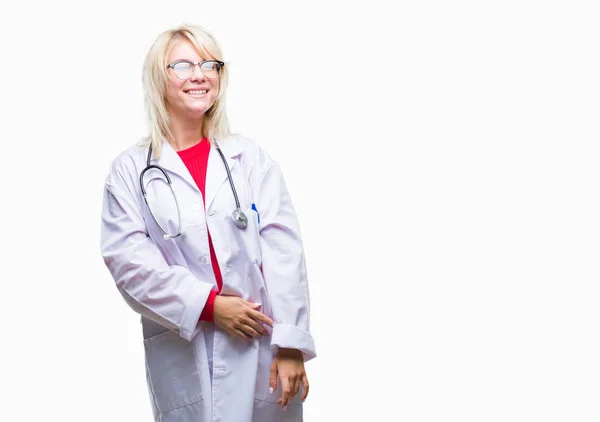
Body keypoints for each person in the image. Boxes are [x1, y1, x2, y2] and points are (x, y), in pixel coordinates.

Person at [100, 23, 316, 422]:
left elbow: (284, 252)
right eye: (182, 65)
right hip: (187, 353)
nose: (199, 74)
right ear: (157, 78)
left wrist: (290, 345)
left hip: (262, 350)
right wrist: (209, 306)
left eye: (209, 64)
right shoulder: (130, 171)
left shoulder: (250, 159)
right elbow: (129, 263)